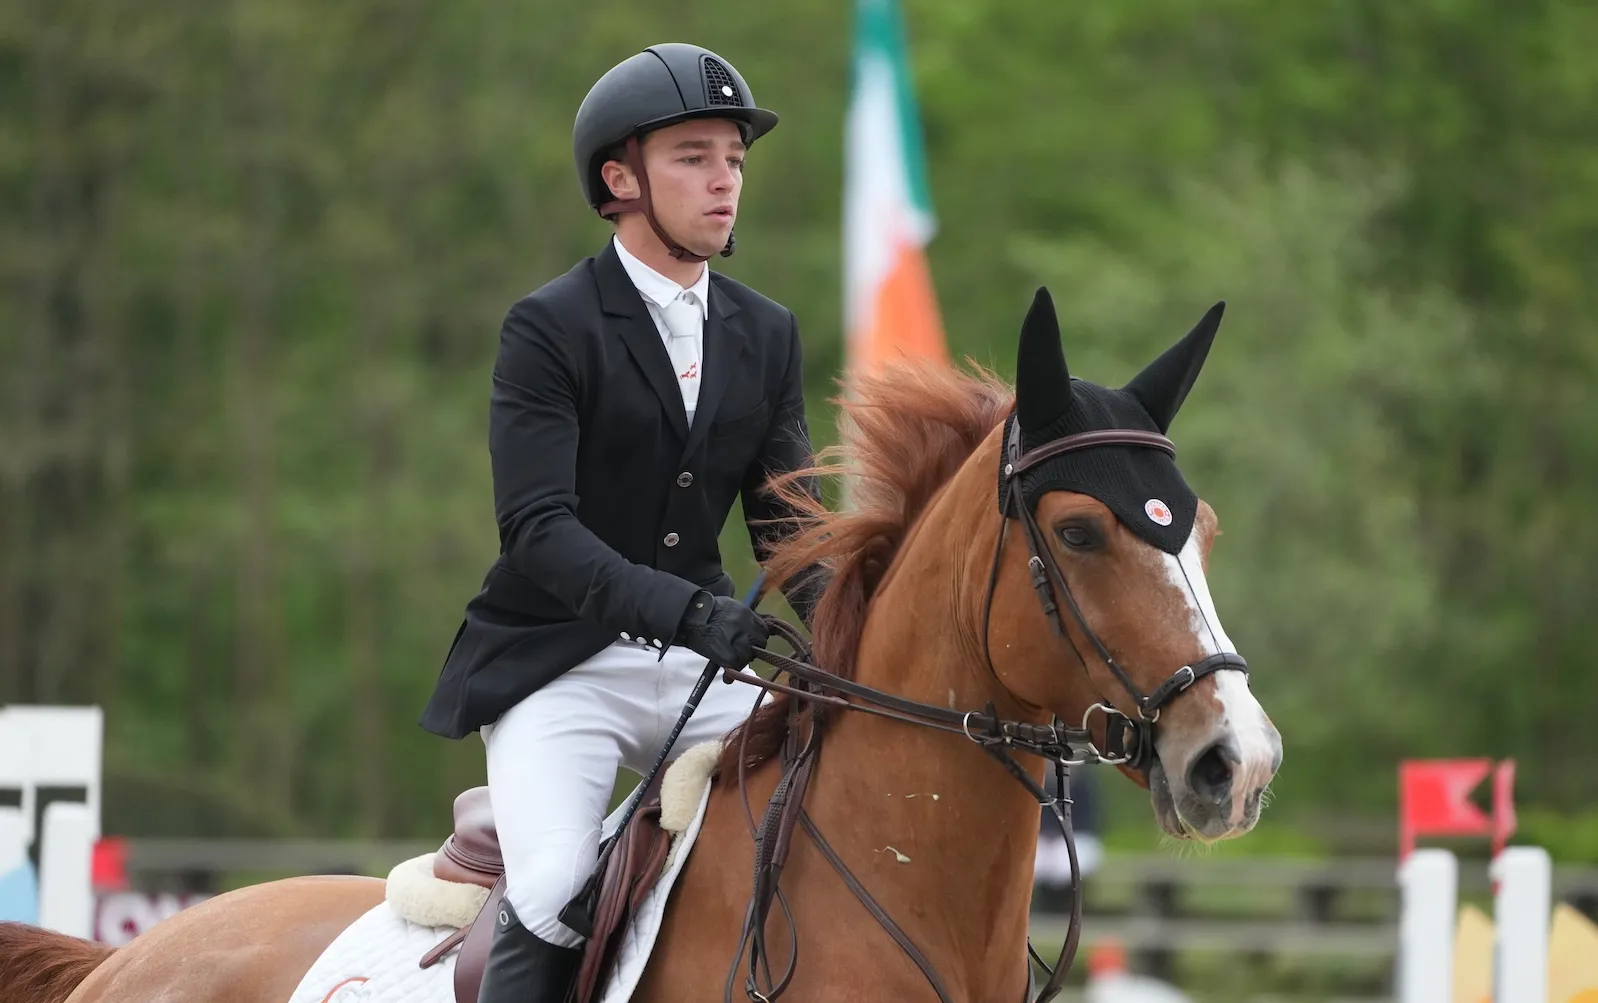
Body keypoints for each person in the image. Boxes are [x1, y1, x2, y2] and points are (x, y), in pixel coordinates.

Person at [417, 42, 827, 1003]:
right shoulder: (549, 327)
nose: (724, 181)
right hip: (559, 664)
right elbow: (538, 529)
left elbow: (788, 528)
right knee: (562, 890)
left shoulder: (765, 333)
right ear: (620, 178)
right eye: (693, 156)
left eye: (734, 158)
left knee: (845, 815)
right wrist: (686, 614)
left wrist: (868, 636)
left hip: (707, 659)